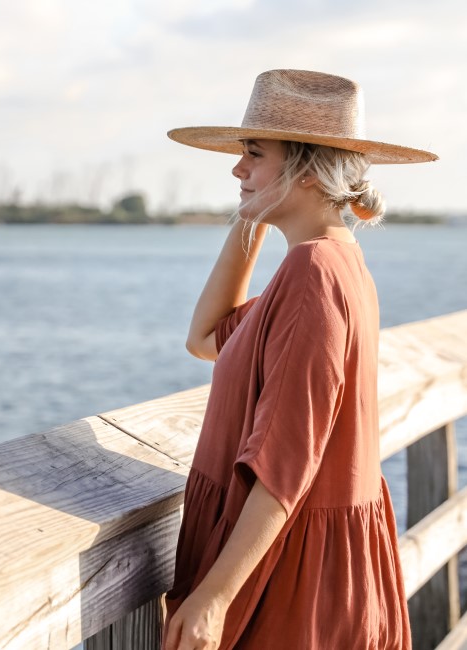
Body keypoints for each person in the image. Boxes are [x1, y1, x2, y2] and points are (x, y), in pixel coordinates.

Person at [161, 69, 438, 650]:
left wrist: (215, 597)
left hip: (296, 590)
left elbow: (286, 464)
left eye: (254, 154)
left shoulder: (314, 274)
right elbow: (207, 337)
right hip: (307, 571)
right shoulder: (330, 262)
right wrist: (253, 211)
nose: (237, 169)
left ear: (307, 170)